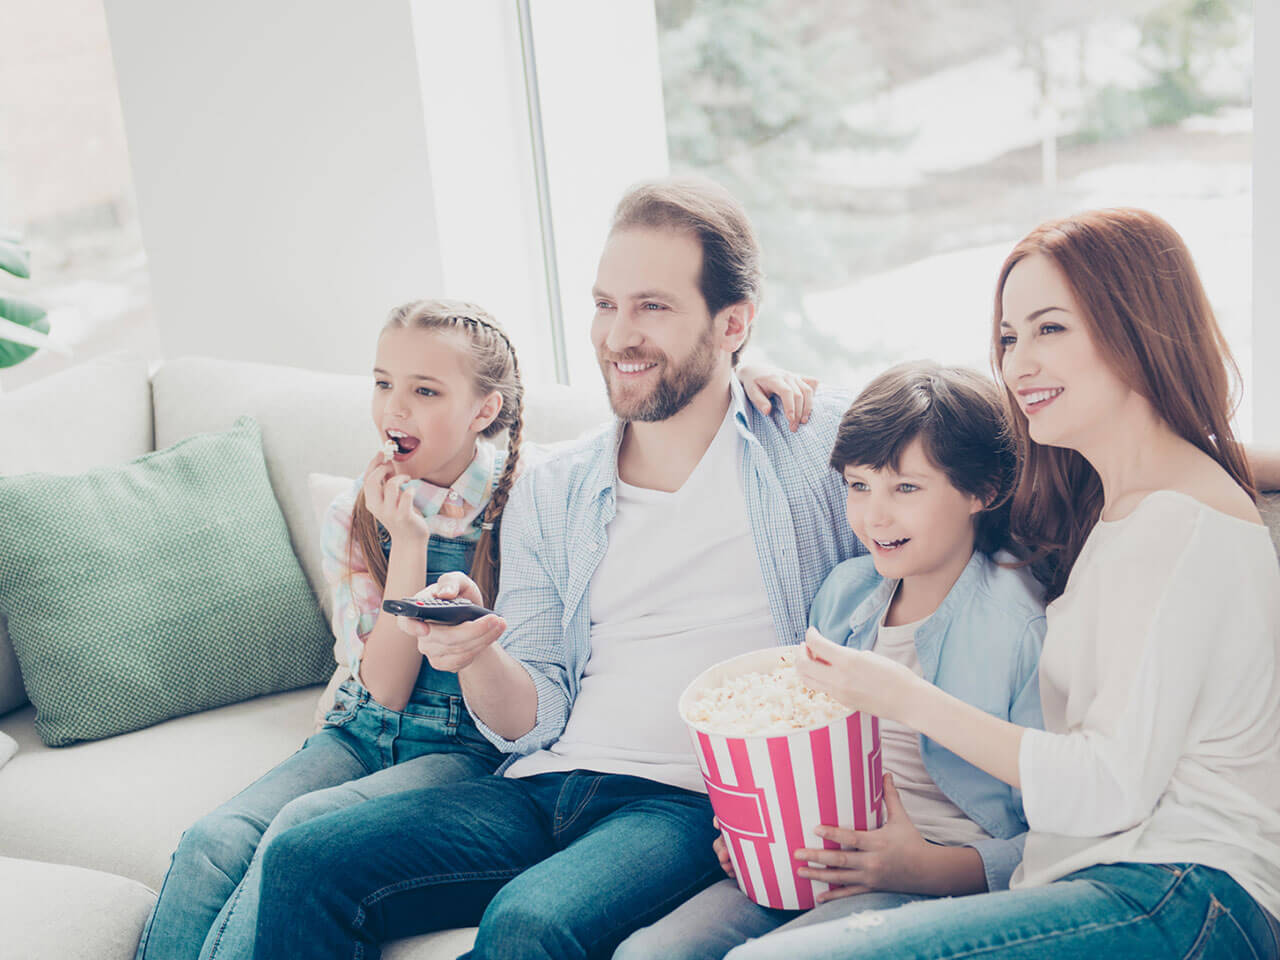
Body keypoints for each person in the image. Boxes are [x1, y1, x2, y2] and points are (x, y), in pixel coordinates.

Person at [248, 177, 864, 960]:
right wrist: (479, 654)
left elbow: (961, 438)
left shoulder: (814, 443)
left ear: (733, 322)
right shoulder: (557, 485)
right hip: (546, 781)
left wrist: (770, 376)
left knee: (532, 923)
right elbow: (529, 716)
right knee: (305, 860)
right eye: (606, 305)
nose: (617, 335)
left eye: (653, 306)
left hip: (687, 802)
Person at [731, 208, 1280, 960]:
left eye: (1050, 329)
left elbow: (1109, 785)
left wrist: (900, 695)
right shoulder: (1118, 506)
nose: (1019, 364)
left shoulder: (1180, 524)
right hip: (1100, 882)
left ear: (1136, 329)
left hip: (1183, 890)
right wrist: (743, 370)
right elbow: (924, 460)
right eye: (1009, 338)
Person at [615, 362, 1047, 960]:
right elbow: (802, 746)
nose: (874, 517)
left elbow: (1057, 832)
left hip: (933, 879)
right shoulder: (846, 592)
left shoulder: (1022, 626)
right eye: (858, 485)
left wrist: (923, 869)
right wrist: (755, 833)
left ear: (984, 491)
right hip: (817, 851)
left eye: (907, 488)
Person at [135, 300, 524, 960]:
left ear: (484, 410)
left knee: (300, 828)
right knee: (212, 842)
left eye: (425, 391)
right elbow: (384, 692)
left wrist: (412, 536)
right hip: (361, 730)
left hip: (465, 753)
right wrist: (404, 541)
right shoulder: (354, 510)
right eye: (383, 384)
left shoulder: (526, 502)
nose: (394, 410)